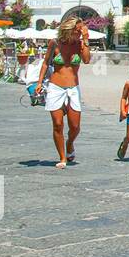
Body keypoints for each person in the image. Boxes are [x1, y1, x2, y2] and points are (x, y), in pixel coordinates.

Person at [34, 17, 91, 169]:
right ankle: (62, 157)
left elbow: (86, 60)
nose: (80, 33)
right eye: (78, 30)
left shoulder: (80, 44)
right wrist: (39, 83)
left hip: (73, 88)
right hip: (55, 87)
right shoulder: (55, 43)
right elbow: (46, 63)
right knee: (58, 124)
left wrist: (85, 39)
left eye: (81, 30)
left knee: (75, 126)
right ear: (69, 30)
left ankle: (70, 143)